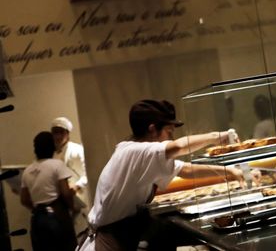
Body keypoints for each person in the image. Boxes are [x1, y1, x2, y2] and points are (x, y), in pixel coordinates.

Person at [82, 99, 251, 251]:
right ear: (153, 129)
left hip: (121, 237)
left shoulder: (140, 155)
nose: (172, 137)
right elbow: (178, 147)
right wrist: (217, 136)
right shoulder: (134, 151)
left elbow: (185, 170)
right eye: (169, 132)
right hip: (108, 243)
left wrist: (231, 172)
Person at [20, 131, 78, 251]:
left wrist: (37, 208)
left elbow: (24, 199)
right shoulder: (57, 165)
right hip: (57, 216)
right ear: (52, 147)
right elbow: (66, 193)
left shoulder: (28, 170)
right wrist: (72, 208)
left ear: (35, 149)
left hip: (37, 219)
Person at [50, 116, 89, 235]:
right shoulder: (52, 153)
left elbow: (87, 174)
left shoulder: (76, 150)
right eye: (55, 132)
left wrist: (76, 187)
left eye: (61, 132)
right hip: (60, 204)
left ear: (67, 133)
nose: (57, 136)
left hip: (79, 201)